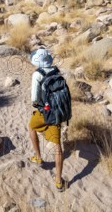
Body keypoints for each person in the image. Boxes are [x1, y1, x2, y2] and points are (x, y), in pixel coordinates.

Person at [28, 47, 65, 192]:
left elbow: (34, 99)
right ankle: (58, 180)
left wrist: (39, 105)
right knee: (57, 145)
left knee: (31, 127)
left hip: (46, 112)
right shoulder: (56, 71)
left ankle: (38, 157)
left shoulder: (37, 74)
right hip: (59, 112)